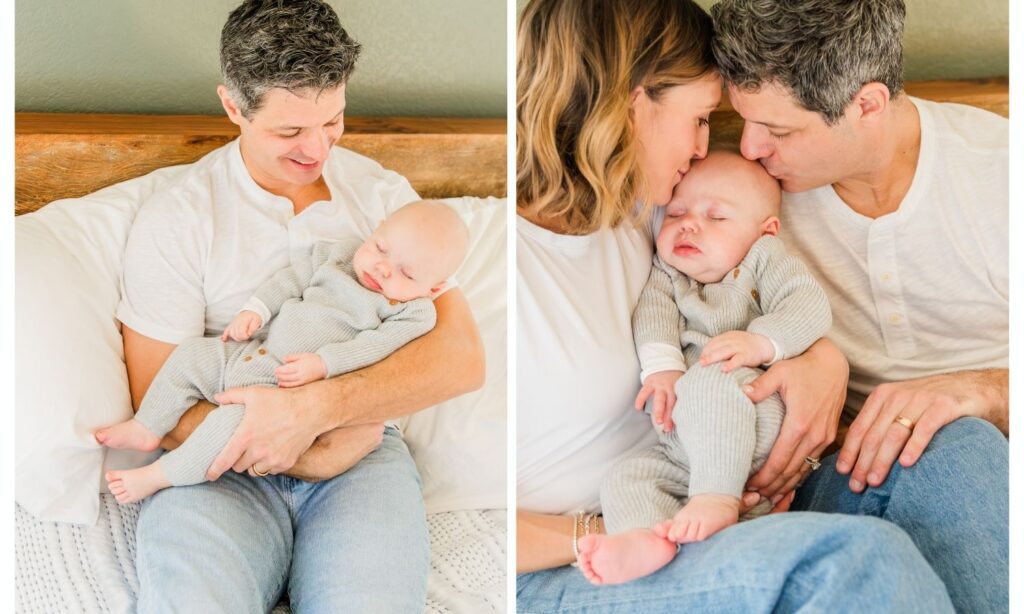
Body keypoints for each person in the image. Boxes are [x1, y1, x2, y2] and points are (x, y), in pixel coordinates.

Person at [515, 0, 953, 611]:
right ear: (632, 104)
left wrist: (818, 360)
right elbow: (443, 504)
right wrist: (613, 532)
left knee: (957, 450)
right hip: (592, 555)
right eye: (701, 119)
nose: (707, 149)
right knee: (859, 562)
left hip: (722, 480)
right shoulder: (493, 258)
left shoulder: (646, 211)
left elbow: (748, 291)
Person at [116, 2, 484, 611]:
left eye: (334, 120)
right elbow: (157, 388)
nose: (318, 149)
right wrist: (298, 445)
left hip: (361, 452)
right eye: (290, 131)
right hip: (216, 457)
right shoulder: (179, 218)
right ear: (234, 106)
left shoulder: (387, 201)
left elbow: (462, 359)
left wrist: (323, 414)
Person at [710, 1, 1008, 610]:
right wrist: (813, 356)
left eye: (781, 130)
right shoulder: (742, 201)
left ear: (867, 105)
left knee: (963, 443)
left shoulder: (1002, 174)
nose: (750, 147)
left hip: (994, 468)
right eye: (743, 120)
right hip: (840, 475)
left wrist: (989, 391)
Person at [100, 201, 469, 504]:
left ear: (434, 287)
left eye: (405, 274)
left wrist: (325, 364)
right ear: (377, 228)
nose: (382, 268)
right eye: (381, 248)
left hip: (282, 393)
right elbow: (290, 282)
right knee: (192, 356)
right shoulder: (338, 254)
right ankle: (147, 426)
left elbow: (373, 348)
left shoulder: (411, 313)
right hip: (253, 353)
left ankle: (160, 476)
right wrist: (256, 310)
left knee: (228, 428)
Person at [577, 151, 832, 586]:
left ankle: (716, 499)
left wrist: (761, 342)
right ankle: (646, 539)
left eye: (716, 218)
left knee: (709, 380)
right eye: (676, 213)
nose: (690, 224)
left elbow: (808, 305)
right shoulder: (670, 271)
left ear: (763, 231)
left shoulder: (763, 259)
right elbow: (653, 315)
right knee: (628, 475)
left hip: (753, 404)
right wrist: (663, 370)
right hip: (686, 445)